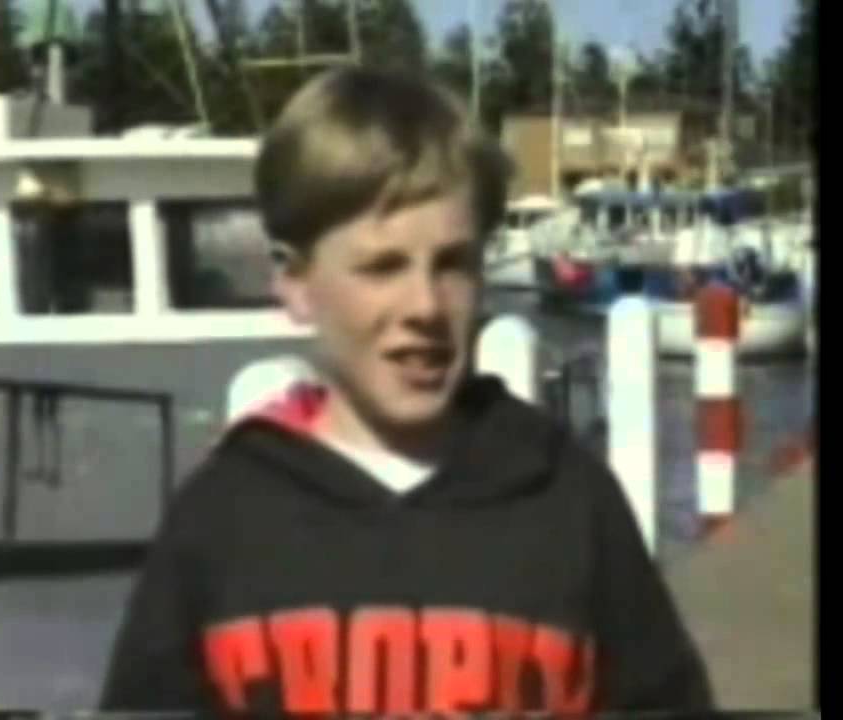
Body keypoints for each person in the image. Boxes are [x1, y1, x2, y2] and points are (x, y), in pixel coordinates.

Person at [99, 67, 713, 716]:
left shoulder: (571, 502)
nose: (425, 305)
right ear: (296, 283)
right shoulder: (221, 520)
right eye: (382, 267)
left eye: (452, 264)